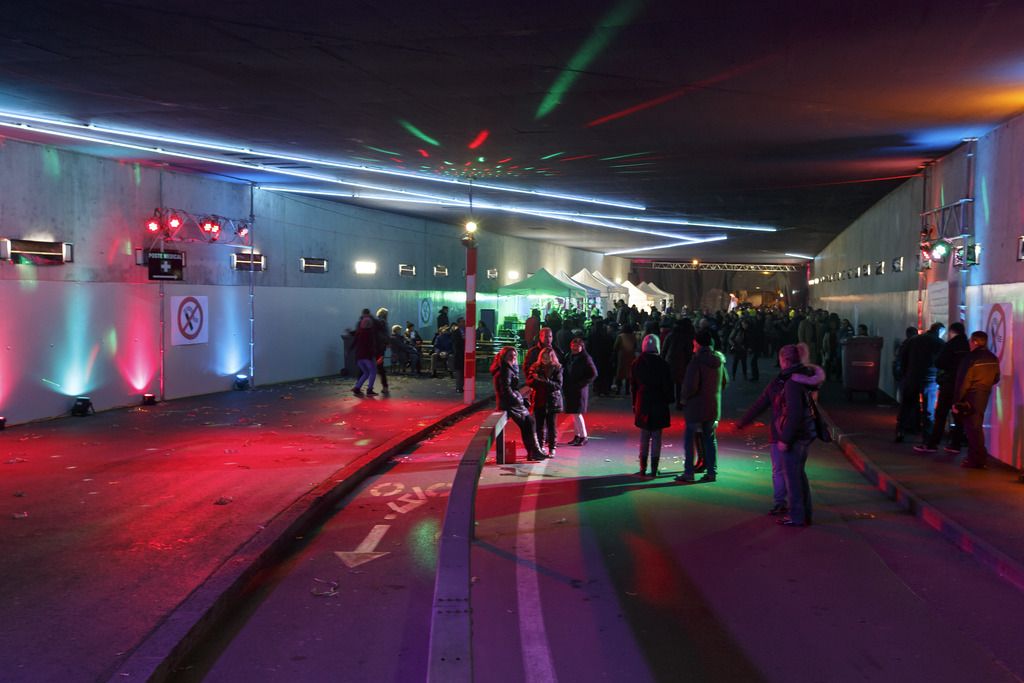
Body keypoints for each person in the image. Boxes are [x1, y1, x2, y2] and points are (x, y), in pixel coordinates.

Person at [737, 345, 825, 517]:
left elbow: (792, 412)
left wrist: (785, 439)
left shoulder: (789, 382)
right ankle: (799, 512)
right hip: (803, 433)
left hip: (789, 435)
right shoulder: (804, 378)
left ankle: (795, 513)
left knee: (790, 475)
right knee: (796, 474)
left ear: (784, 360)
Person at [675, 329, 727, 483]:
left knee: (689, 440)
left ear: (698, 344)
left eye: (694, 344)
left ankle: (689, 473)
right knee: (710, 439)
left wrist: (684, 399)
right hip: (712, 406)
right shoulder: (719, 361)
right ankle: (712, 472)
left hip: (696, 407)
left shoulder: (696, 361)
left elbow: (691, 385)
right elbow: (725, 381)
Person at [914, 322, 969, 454]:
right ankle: (956, 444)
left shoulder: (950, 345)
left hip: (949, 383)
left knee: (941, 415)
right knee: (958, 415)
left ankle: (933, 444)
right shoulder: (967, 345)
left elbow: (939, 362)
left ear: (951, 332)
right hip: (963, 385)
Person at [953, 330, 1001, 469]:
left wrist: (957, 401)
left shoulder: (970, 359)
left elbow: (963, 382)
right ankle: (978, 458)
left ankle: (977, 460)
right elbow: (996, 378)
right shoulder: (993, 358)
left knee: (972, 429)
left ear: (974, 342)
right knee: (976, 427)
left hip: (970, 398)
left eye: (970, 341)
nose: (969, 344)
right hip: (984, 395)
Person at [490, 346, 547, 461]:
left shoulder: (509, 367)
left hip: (512, 402)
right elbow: (506, 390)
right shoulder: (505, 370)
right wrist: (519, 399)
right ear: (504, 357)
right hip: (509, 404)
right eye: (510, 355)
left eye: (514, 355)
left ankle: (534, 451)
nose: (513, 357)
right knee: (528, 424)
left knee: (529, 423)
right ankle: (534, 452)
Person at [630, 334, 674, 478]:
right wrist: (669, 400)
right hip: (659, 402)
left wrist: (634, 403)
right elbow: (668, 386)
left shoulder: (637, 363)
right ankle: (654, 469)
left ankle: (642, 467)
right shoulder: (663, 364)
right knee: (656, 437)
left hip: (642, 401)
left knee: (644, 435)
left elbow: (633, 386)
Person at [896, 322, 945, 442]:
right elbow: (943, 362)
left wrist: (905, 373)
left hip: (912, 377)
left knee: (906, 406)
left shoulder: (913, 340)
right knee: (929, 409)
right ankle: (927, 437)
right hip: (930, 379)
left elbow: (902, 357)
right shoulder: (939, 343)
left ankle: (900, 431)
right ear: (939, 331)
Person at [527, 347, 564, 457]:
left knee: (551, 426)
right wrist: (536, 380)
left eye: (547, 357)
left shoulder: (557, 368)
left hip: (552, 401)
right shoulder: (536, 367)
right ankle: (540, 446)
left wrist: (544, 381)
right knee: (539, 426)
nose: (545, 359)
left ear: (552, 357)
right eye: (543, 357)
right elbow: (529, 381)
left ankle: (552, 448)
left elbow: (558, 385)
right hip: (539, 399)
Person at [563, 336, 597, 446]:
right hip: (570, 389)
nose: (574, 348)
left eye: (577, 346)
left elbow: (593, 374)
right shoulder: (569, 356)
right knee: (574, 414)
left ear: (582, 347)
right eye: (573, 346)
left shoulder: (586, 358)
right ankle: (577, 436)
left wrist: (581, 384)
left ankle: (583, 436)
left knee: (577, 414)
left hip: (579, 390)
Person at [662, 317, 695, 409]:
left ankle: (669, 399)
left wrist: (662, 359)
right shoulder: (686, 336)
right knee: (680, 383)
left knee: (670, 382)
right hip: (682, 362)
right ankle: (679, 402)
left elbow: (664, 349)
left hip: (669, 361)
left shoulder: (670, 335)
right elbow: (688, 351)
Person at [351, 311, 378, 396]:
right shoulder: (370, 333)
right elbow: (371, 345)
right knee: (373, 372)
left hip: (359, 357)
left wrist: (349, 351)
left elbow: (354, 343)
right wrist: (375, 354)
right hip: (368, 357)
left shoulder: (359, 332)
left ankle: (357, 388)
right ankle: (369, 389)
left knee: (366, 373)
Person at [613, 322, 638, 395]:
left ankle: (618, 389)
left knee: (620, 373)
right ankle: (627, 390)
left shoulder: (620, 336)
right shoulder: (633, 336)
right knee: (629, 373)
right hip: (631, 356)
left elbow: (615, 347)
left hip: (622, 356)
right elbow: (635, 346)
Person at [371, 307, 391, 395]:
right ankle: (385, 386)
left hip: (375, 347)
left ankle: (363, 386)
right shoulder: (384, 323)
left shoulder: (377, 322)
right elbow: (386, 336)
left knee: (371, 366)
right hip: (381, 348)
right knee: (380, 367)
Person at [451, 316, 466, 392]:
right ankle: (458, 387)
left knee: (464, 372)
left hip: (466, 354)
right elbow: (455, 344)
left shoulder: (467, 331)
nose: (464, 323)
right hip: (459, 354)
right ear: (459, 323)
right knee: (459, 372)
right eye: (462, 321)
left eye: (464, 321)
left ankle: (463, 386)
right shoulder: (455, 332)